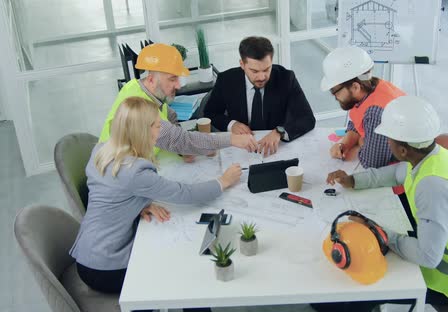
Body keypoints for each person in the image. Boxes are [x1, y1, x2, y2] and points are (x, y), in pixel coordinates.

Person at [319, 96, 448, 311]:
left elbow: (428, 257)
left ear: (403, 150)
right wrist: (354, 180)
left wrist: (380, 233)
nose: (387, 142)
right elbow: (397, 172)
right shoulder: (433, 156)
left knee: (363, 288)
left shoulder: (432, 186)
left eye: (390, 139)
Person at [71, 97, 241, 312]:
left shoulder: (102, 150)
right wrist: (223, 181)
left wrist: (139, 203)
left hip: (87, 255)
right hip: (105, 269)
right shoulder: (136, 171)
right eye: (157, 126)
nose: (160, 131)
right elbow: (185, 194)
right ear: (143, 131)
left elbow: (110, 192)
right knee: (185, 274)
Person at [99, 43, 257, 163]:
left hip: (140, 166)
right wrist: (231, 139)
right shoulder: (138, 106)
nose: (179, 85)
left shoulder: (142, 88)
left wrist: (184, 151)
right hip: (120, 175)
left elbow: (170, 115)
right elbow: (179, 139)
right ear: (151, 79)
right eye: (172, 79)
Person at [204, 36, 316, 156]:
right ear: (242, 64)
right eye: (255, 71)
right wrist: (231, 124)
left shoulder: (286, 78)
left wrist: (280, 131)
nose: (262, 77)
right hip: (239, 149)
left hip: (277, 148)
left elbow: (307, 118)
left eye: (267, 69)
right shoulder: (226, 80)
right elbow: (210, 113)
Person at [321, 46, 406, 169]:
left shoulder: (376, 112)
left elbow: (372, 163)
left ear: (355, 87)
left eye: (335, 91)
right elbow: (357, 121)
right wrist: (345, 144)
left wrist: (362, 142)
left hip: (401, 170)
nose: (334, 96)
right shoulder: (368, 87)